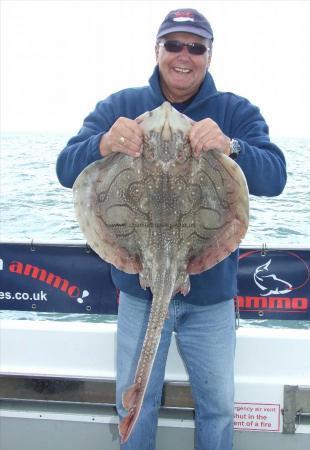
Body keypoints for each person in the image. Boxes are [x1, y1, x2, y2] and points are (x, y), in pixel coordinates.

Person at [56, 8, 287, 450]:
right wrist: (103, 143)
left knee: (218, 405)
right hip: (140, 293)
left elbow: (274, 176)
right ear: (158, 50)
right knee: (136, 407)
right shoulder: (120, 107)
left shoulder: (234, 111)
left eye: (195, 46)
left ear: (209, 54)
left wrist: (229, 145)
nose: (184, 55)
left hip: (211, 298)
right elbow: (67, 169)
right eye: (174, 45)